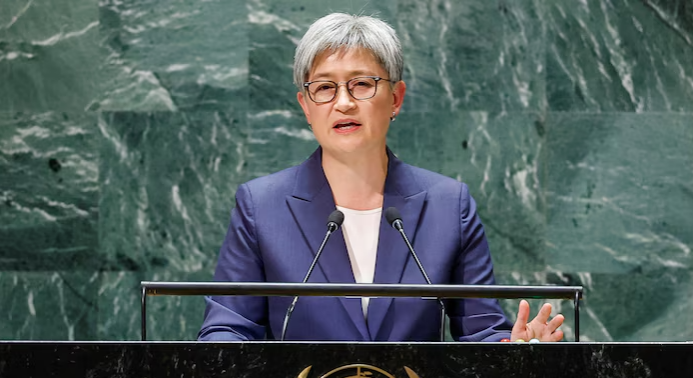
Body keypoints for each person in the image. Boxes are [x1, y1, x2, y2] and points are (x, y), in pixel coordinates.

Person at [198, 13, 564, 342]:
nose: (344, 102)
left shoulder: (448, 205)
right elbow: (228, 328)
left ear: (396, 99)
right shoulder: (262, 206)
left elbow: (482, 330)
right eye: (325, 87)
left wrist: (514, 348)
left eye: (361, 84)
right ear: (305, 106)